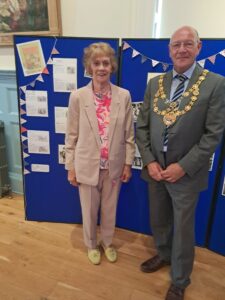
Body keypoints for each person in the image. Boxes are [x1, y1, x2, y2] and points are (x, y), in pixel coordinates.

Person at [136, 26, 225, 300]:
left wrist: (183, 166)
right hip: (155, 169)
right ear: (169, 50)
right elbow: (141, 127)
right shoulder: (155, 84)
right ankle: (163, 254)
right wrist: (149, 160)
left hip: (185, 173)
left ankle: (180, 278)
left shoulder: (216, 83)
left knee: (184, 228)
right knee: (159, 219)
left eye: (188, 44)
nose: (182, 49)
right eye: (177, 44)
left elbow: (213, 135)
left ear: (199, 48)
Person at [65, 42, 135, 265]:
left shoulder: (123, 96)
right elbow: (71, 135)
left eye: (106, 62)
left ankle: (107, 241)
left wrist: (127, 164)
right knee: (88, 209)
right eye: (96, 63)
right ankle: (91, 244)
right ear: (89, 66)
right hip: (86, 165)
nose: (102, 67)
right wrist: (71, 167)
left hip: (113, 165)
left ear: (112, 66)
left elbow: (129, 134)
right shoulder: (77, 97)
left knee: (109, 209)